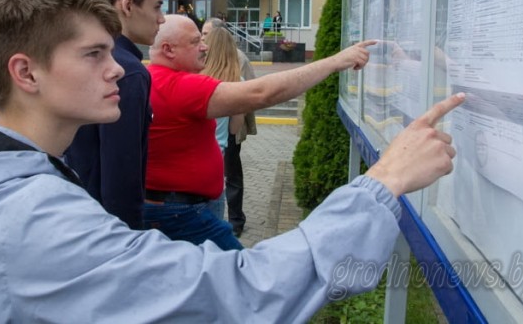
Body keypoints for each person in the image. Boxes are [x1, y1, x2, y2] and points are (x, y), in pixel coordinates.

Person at [0, 0, 466, 323]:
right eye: (94, 55)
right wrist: (382, 183)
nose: (118, 73)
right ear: (25, 72)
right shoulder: (33, 219)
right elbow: (240, 295)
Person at [144, 15, 376, 250]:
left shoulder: (153, 78)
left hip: (177, 205)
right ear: (168, 49)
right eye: (195, 42)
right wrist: (335, 62)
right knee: (240, 276)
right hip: (184, 213)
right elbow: (262, 93)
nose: (204, 47)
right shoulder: (179, 85)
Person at [65, 0, 165, 230]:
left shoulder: (77, 54)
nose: (162, 18)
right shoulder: (127, 71)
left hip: (75, 213)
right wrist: (128, 238)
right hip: (107, 227)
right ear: (128, 4)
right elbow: (121, 169)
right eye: (156, 6)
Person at [202, 17, 257, 236]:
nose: (202, 38)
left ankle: (234, 222)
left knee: (231, 176)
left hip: (205, 148)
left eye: (206, 34)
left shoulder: (195, 75)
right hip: (221, 144)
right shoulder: (237, 78)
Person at [200, 27, 245, 221]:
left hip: (193, 153)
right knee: (214, 218)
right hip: (218, 155)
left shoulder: (196, 76)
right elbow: (235, 128)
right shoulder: (237, 81)